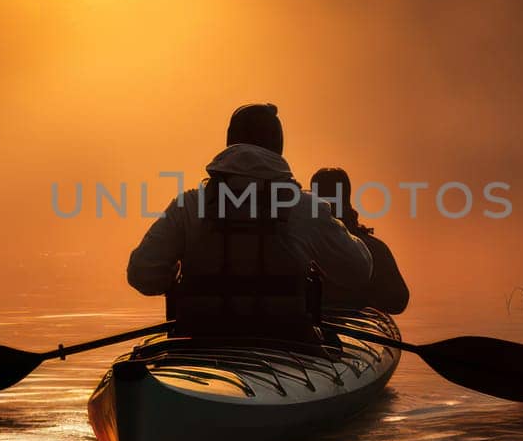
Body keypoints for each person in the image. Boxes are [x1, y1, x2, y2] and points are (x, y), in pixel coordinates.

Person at [127, 104, 373, 335]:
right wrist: (347, 231)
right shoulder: (305, 208)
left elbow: (141, 275)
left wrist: (171, 277)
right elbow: (358, 272)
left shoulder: (189, 205)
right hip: (286, 346)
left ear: (229, 142)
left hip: (197, 342)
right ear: (278, 145)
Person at [308, 167, 410, 315]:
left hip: (326, 327)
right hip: (360, 327)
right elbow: (398, 302)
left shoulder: (304, 244)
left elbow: (398, 301)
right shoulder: (375, 247)